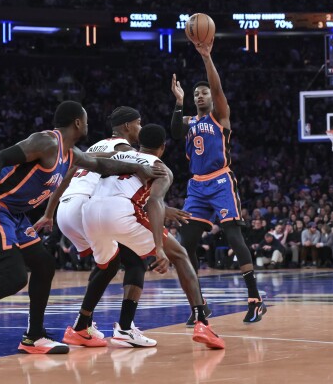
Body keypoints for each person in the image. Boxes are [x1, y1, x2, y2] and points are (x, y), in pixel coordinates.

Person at [0, 101, 165, 366]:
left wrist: (140, 168)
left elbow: (102, 165)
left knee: (44, 265)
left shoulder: (71, 154)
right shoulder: (47, 142)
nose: (89, 125)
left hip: (14, 215)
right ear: (78, 123)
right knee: (14, 277)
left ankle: (34, 336)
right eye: (87, 121)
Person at [35, 106, 190, 346]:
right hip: (86, 206)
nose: (140, 128)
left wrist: (49, 213)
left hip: (66, 211)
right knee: (135, 260)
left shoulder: (96, 145)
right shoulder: (124, 149)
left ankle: (84, 325)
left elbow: (69, 174)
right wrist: (161, 206)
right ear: (128, 126)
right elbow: (138, 185)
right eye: (138, 124)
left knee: (107, 264)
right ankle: (123, 328)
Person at [62, 124, 225, 349]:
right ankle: (201, 322)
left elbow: (89, 161)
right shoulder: (162, 168)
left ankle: (81, 325)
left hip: (89, 214)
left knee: (107, 266)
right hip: (119, 213)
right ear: (163, 148)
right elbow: (154, 202)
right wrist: (158, 247)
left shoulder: (119, 154)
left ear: (139, 144)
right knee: (179, 254)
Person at [170, 39, 265, 325]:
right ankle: (200, 306)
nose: (200, 96)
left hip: (221, 180)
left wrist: (207, 58)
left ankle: (255, 299)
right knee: (185, 244)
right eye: (196, 93)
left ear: (212, 97)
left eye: (204, 93)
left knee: (234, 236)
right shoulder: (188, 121)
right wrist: (178, 101)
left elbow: (218, 88)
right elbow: (174, 134)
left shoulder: (220, 116)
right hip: (197, 186)